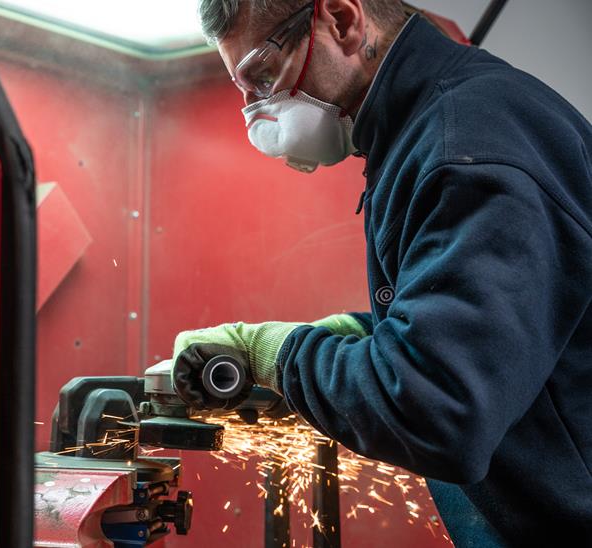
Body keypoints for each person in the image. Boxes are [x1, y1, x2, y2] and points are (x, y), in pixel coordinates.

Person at [170, 0, 592, 545]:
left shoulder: (465, 147)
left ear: (342, 22)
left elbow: (438, 410)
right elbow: (511, 329)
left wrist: (275, 353)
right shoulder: (432, 131)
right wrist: (366, 333)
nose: (255, 110)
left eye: (264, 75)